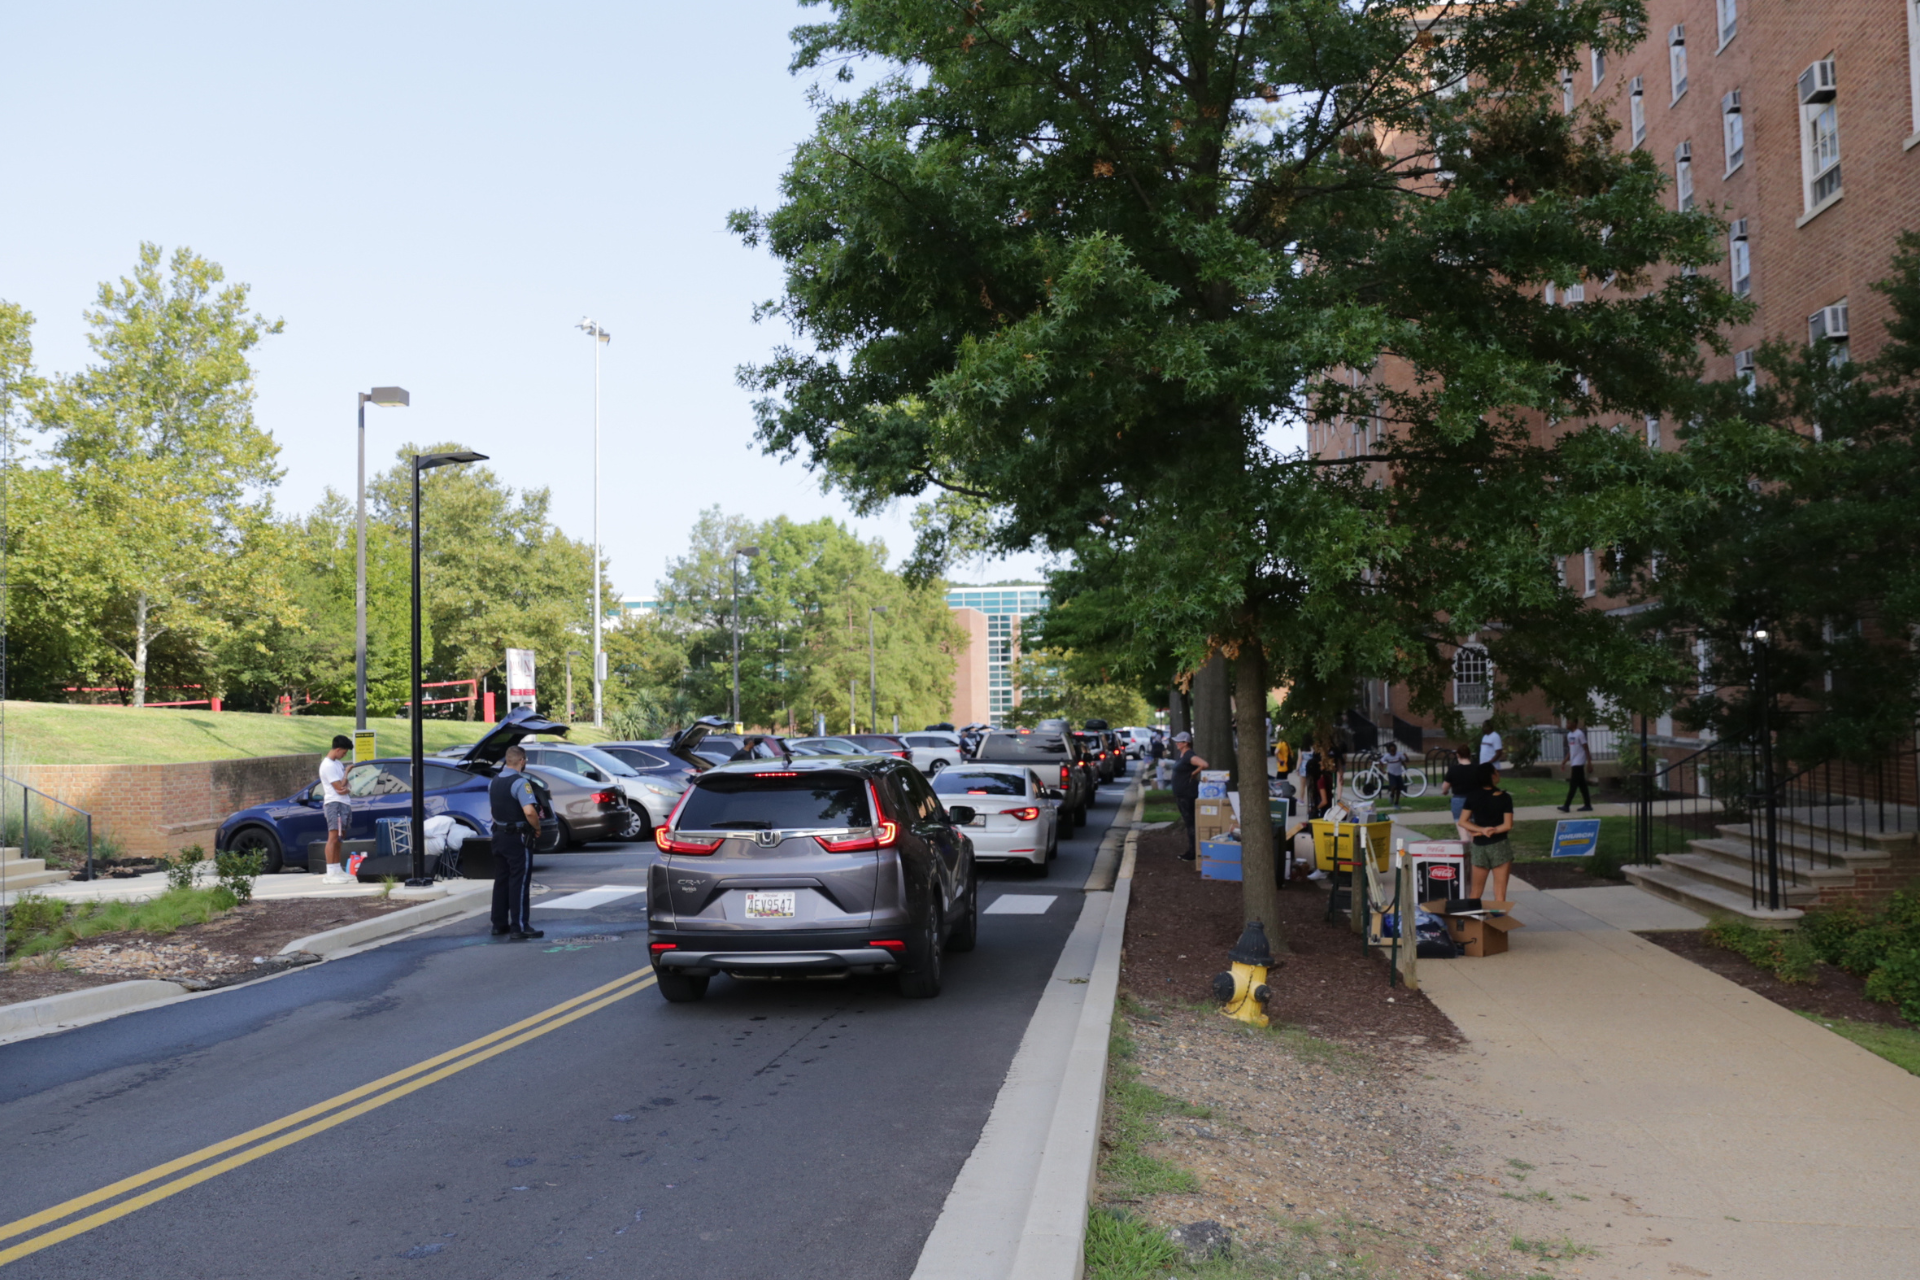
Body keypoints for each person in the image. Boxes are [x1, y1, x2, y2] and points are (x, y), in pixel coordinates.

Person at [488, 745, 545, 941]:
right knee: (519, 881)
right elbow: (529, 811)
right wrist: (537, 828)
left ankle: (498, 923)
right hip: (517, 837)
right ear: (522, 761)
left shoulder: (494, 781)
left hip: (499, 835)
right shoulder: (520, 783)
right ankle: (519, 926)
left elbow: (493, 812)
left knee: (501, 880)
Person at [1461, 762, 1517, 900]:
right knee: (1499, 892)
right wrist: (1492, 830)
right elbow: (1508, 825)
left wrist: (1481, 830)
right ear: (1492, 776)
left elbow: (1463, 821)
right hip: (1500, 846)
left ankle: (1473, 920)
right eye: (1496, 771)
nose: (1498, 774)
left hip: (1479, 847)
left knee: (1475, 892)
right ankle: (1499, 921)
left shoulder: (1472, 796)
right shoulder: (1504, 797)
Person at [318, 736, 354, 884]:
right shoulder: (327, 765)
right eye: (344, 752)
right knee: (333, 837)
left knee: (340, 837)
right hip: (334, 804)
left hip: (344, 803)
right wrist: (345, 784)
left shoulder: (337, 764)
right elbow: (340, 788)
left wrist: (345, 777)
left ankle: (338, 869)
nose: (344, 755)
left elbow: (347, 786)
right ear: (337, 749)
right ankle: (330, 873)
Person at [1168, 731, 1207, 861]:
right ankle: (1192, 850)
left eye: (1180, 742)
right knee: (1188, 822)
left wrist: (1194, 773)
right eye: (1177, 741)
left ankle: (1193, 852)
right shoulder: (1181, 755)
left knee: (1191, 823)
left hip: (1187, 794)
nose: (1177, 744)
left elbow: (1204, 764)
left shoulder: (1189, 755)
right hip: (1181, 794)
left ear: (1186, 743)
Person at [1440, 744, 1478, 843]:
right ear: (1470, 755)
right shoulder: (1477, 769)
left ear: (1458, 755)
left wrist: (1445, 791)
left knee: (1463, 834)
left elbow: (1444, 787)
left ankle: (1465, 855)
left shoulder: (1453, 770)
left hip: (1459, 801)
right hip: (1475, 800)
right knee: (1475, 831)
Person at [1557, 720, 1594, 812]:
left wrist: (1589, 762)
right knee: (1582, 785)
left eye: (1569, 723)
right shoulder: (1569, 735)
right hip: (1574, 762)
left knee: (1573, 784)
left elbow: (1586, 748)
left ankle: (1566, 806)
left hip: (1579, 762)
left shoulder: (1579, 734)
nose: (1567, 724)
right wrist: (1564, 761)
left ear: (1574, 724)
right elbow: (1571, 750)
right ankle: (1588, 805)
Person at [1380, 739, 1408, 807]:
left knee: (1399, 789)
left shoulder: (1399, 754)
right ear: (1389, 751)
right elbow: (1381, 762)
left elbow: (1406, 760)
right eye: (1391, 751)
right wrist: (1382, 770)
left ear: (1396, 750)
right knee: (1394, 785)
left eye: (1394, 750)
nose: (1393, 752)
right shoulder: (1387, 756)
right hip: (1391, 773)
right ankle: (1392, 795)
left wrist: (1406, 756)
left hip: (1398, 773)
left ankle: (1396, 803)